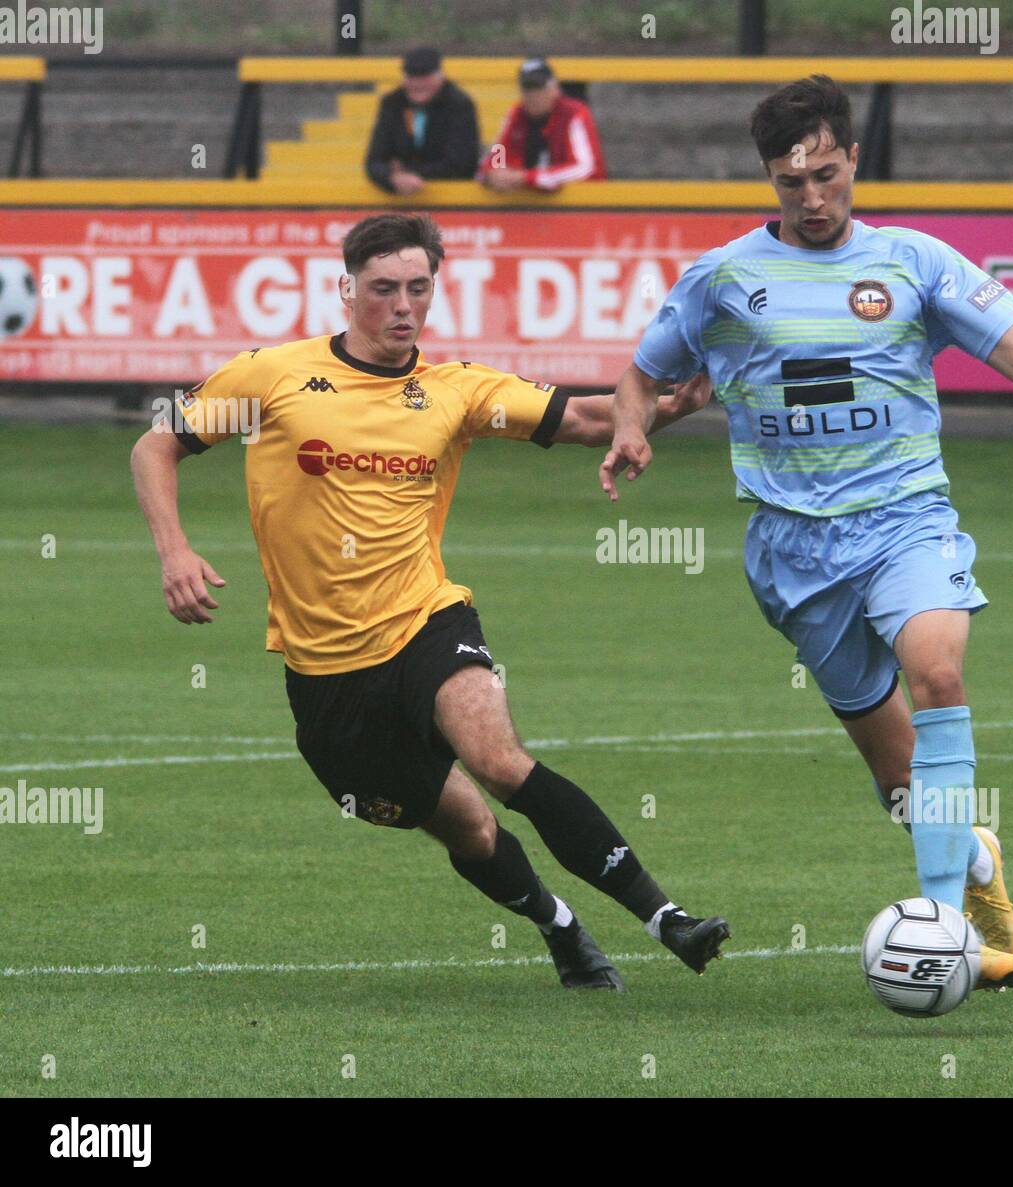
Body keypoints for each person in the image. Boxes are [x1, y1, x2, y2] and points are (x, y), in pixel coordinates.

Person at [601, 75, 1013, 994]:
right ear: (770, 180)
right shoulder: (722, 278)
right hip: (791, 550)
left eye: (824, 175)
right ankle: (974, 864)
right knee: (902, 780)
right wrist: (631, 424)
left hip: (903, 522)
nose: (810, 199)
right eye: (787, 183)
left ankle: (941, 924)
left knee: (940, 674)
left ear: (852, 157)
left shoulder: (917, 262)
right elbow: (642, 373)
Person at [130, 213, 727, 991]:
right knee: (471, 826)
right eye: (383, 288)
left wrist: (658, 412)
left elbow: (581, 418)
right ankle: (560, 926)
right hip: (326, 674)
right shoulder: (273, 381)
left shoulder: (454, 391)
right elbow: (157, 445)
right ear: (346, 290)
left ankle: (666, 917)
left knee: (500, 762)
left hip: (426, 621)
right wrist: (174, 549)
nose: (402, 305)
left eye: (418, 288)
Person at [477, 57, 606, 193]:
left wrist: (529, 178)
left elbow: (585, 169)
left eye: (539, 89)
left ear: (554, 89)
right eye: (527, 90)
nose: (533, 96)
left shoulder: (573, 113)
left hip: (583, 207)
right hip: (530, 207)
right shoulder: (517, 116)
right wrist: (492, 174)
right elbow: (497, 158)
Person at [365, 46, 479, 194]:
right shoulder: (392, 103)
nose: (418, 83)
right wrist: (391, 177)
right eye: (412, 77)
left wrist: (407, 172)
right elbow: (374, 161)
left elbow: (461, 163)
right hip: (399, 197)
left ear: (440, 77)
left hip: (450, 197)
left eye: (424, 76)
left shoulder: (459, 104)